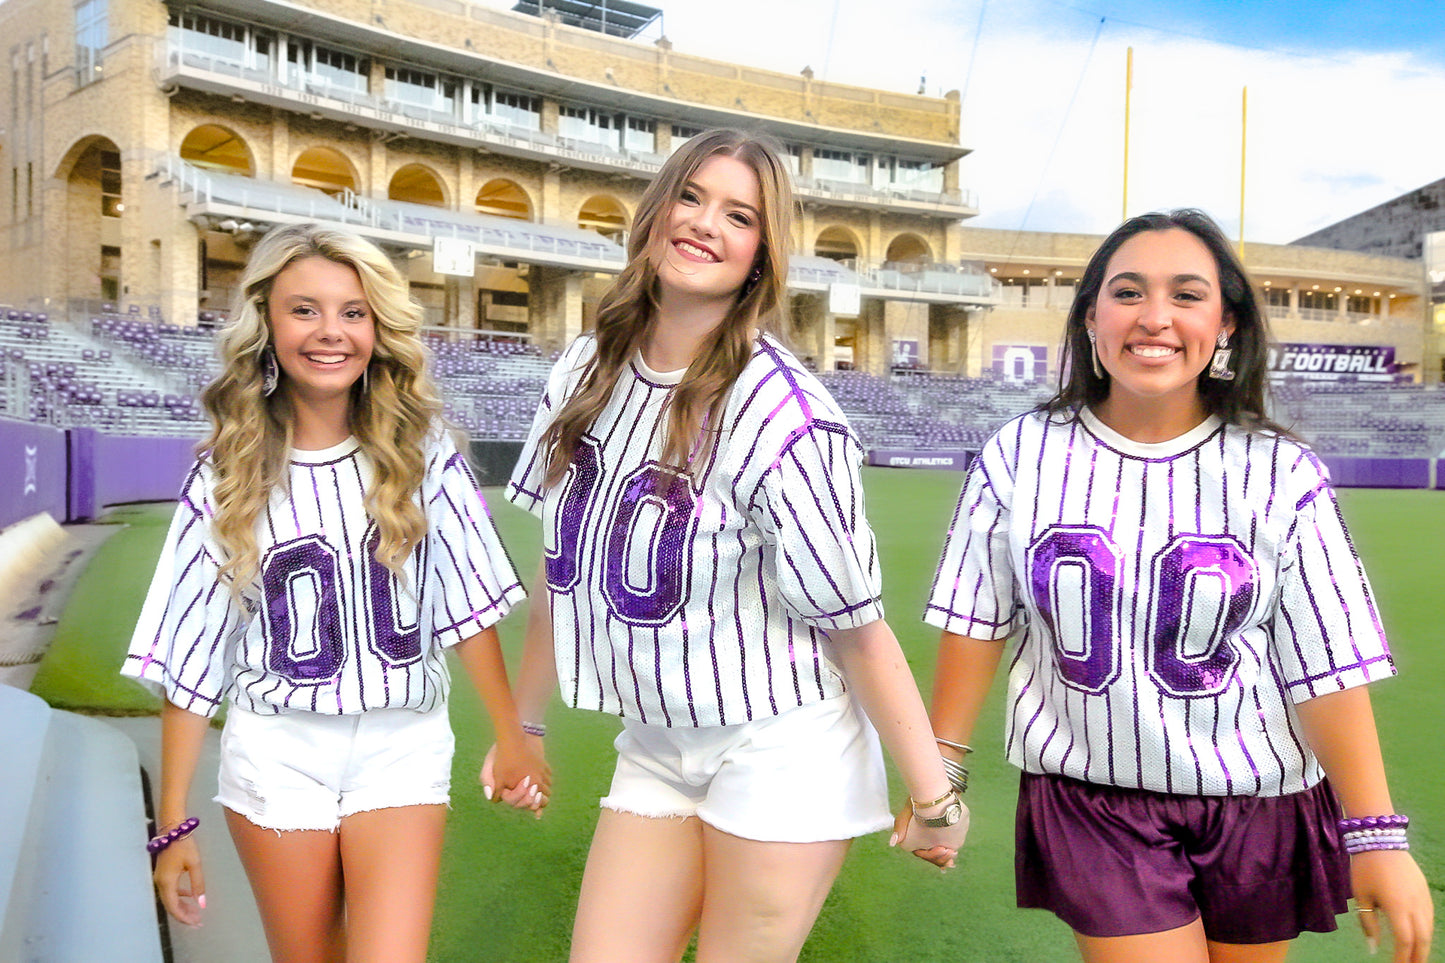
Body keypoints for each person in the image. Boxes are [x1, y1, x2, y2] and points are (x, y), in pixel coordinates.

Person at [500, 128, 968, 963]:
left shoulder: (782, 412)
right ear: (654, 213)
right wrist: (523, 722)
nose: (704, 223)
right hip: (657, 736)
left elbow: (855, 626)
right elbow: (556, 568)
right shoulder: (582, 370)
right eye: (690, 196)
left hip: (781, 741)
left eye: (738, 215)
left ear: (759, 255)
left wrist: (934, 794)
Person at [917, 209, 1434, 963]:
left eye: (1185, 295)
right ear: (1090, 315)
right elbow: (976, 617)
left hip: (1259, 797)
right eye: (1126, 292)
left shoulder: (1281, 471)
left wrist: (1375, 832)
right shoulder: (1019, 452)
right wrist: (943, 774)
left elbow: (1323, 664)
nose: (1153, 316)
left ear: (1225, 323)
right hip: (1095, 794)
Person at [122, 223, 547, 963]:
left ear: (378, 327)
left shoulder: (422, 453)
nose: (331, 332)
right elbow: (191, 653)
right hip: (276, 748)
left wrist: (511, 735)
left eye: (353, 311)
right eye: (305, 309)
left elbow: (466, 606)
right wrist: (172, 823)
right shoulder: (224, 474)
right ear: (267, 322)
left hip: (400, 742)